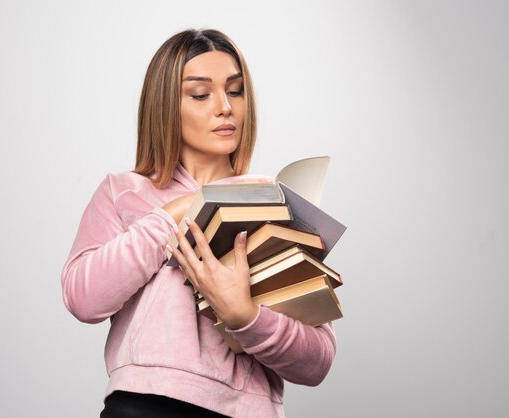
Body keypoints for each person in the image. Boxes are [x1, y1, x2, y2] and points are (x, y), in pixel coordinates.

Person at [61, 28, 336, 418]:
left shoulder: (272, 203)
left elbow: (318, 361)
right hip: (143, 405)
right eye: (201, 94)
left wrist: (247, 319)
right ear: (166, 106)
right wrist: (175, 213)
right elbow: (82, 299)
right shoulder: (124, 192)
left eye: (235, 91)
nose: (225, 107)